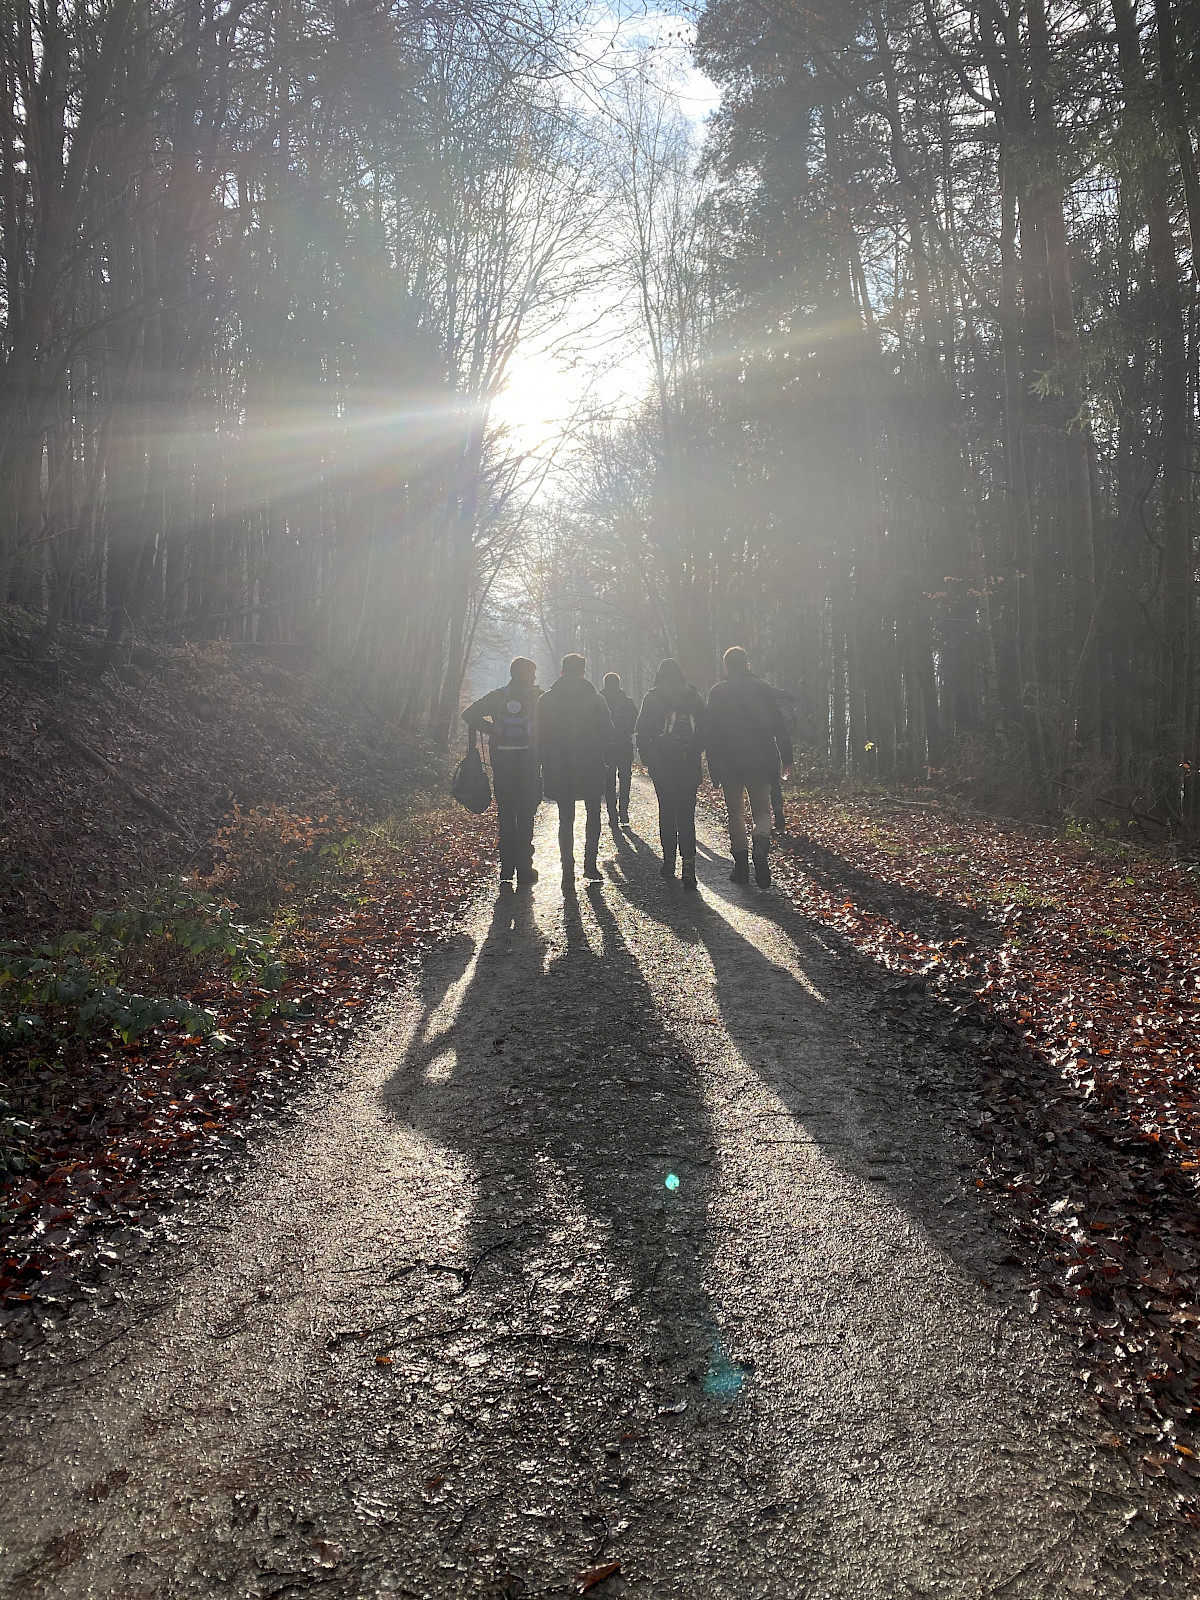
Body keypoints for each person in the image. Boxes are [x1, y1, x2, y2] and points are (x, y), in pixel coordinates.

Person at [705, 645, 793, 888]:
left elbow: (710, 733)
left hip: (730, 762)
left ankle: (741, 866)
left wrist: (714, 768)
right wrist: (787, 758)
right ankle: (760, 846)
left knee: (735, 813)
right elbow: (779, 724)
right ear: (747, 665)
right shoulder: (763, 688)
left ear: (726, 666)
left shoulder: (718, 692)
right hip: (761, 760)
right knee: (762, 811)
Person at [462, 657, 543, 888]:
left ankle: (506, 868)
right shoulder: (537, 697)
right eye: (532, 672)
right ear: (524, 674)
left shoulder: (498, 696)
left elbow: (468, 714)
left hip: (503, 764)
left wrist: (492, 730)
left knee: (506, 814)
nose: (535, 677)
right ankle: (525, 869)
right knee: (527, 814)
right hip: (529, 764)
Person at [536, 654, 614, 891]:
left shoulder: (546, 700)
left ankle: (567, 870)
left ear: (562, 672)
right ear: (583, 672)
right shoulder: (595, 699)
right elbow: (608, 733)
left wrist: (544, 760)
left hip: (559, 765)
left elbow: (538, 733)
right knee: (593, 814)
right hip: (589, 762)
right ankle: (590, 865)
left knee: (565, 817)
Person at [635, 658, 706, 890]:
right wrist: (694, 751)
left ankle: (668, 863)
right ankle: (689, 867)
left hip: (663, 766)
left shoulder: (652, 698)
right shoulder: (695, 698)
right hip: (689, 765)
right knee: (686, 815)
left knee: (666, 812)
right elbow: (707, 732)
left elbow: (642, 732)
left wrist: (649, 759)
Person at [601, 672, 638, 831]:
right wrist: (627, 732)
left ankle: (612, 814)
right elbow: (636, 721)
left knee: (608, 782)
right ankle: (624, 811)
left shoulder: (600, 700)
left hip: (606, 747)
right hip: (624, 745)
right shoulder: (627, 701)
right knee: (625, 780)